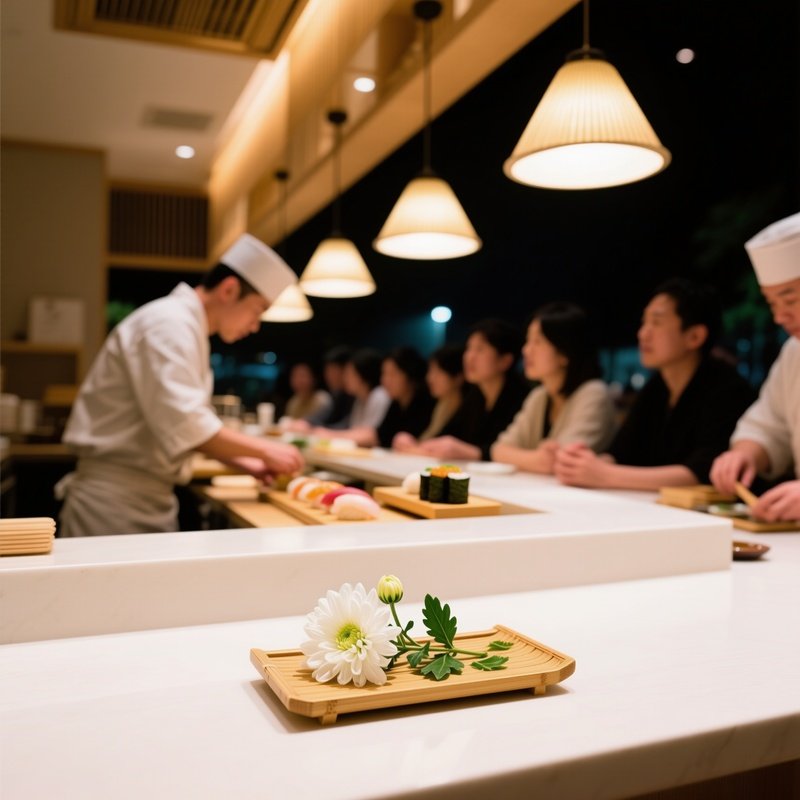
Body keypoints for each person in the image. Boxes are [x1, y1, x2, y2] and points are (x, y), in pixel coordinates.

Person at [59, 233, 305, 536]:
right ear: (229, 290)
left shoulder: (186, 328)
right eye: (257, 311)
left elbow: (184, 430)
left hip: (144, 496)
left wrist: (247, 463)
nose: (255, 327)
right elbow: (186, 421)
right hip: (112, 503)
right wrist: (266, 450)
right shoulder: (168, 323)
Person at [555, 278, 755, 491]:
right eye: (644, 323)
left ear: (695, 336)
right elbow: (621, 452)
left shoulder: (727, 390)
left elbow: (701, 473)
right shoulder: (657, 387)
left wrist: (603, 474)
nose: (643, 333)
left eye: (656, 323)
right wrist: (581, 464)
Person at [711, 212, 800, 521]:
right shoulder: (794, 352)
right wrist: (744, 454)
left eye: (790, 300)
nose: (779, 317)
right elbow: (768, 424)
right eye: (772, 303)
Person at [492, 302, 615, 474]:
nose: (526, 350)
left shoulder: (593, 393)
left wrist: (525, 458)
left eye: (538, 342)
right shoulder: (540, 395)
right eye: (528, 341)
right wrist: (537, 459)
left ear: (565, 352)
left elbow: (563, 461)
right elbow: (498, 449)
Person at [414, 319, 528, 461]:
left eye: (480, 349)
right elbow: (447, 435)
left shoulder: (522, 398)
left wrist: (469, 451)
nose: (469, 357)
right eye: (469, 348)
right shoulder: (475, 396)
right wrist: (417, 444)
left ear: (505, 360)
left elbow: (511, 449)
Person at [393, 343, 465, 451]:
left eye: (437, 372)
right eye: (430, 371)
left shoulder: (464, 408)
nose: (429, 378)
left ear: (458, 377)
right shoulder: (441, 405)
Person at [312, 348, 391, 445]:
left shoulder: (379, 396)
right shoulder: (359, 399)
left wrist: (330, 434)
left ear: (363, 375)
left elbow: (370, 436)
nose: (345, 379)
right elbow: (354, 429)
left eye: (350, 374)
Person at [374, 347, 435, 448]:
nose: (385, 380)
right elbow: (382, 435)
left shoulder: (426, 403)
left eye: (392, 374)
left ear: (409, 374)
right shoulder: (396, 403)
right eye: (384, 374)